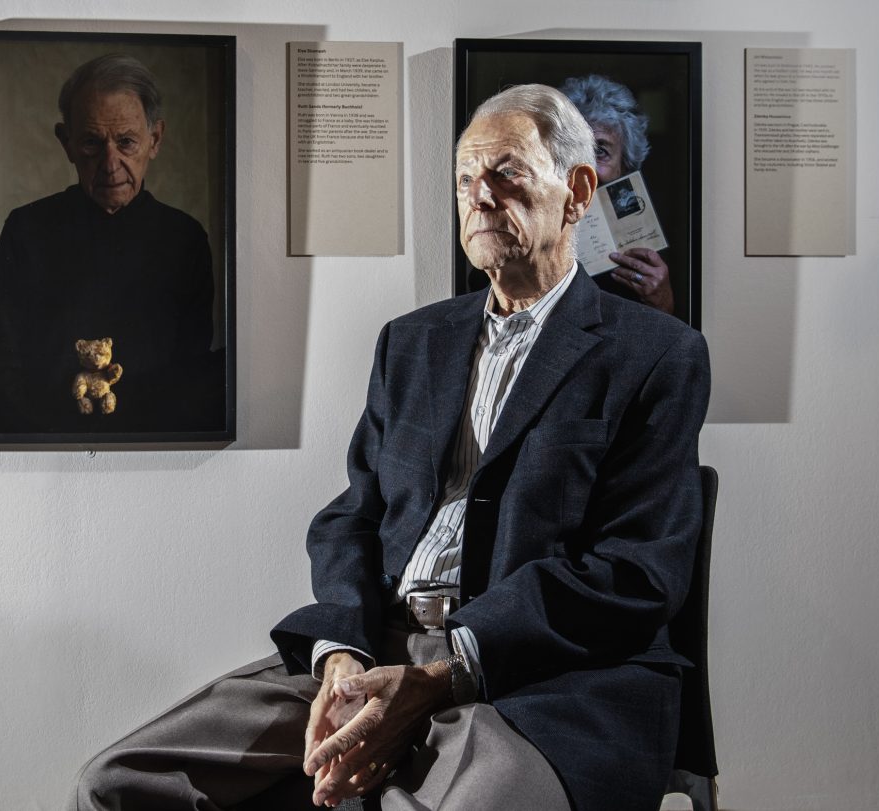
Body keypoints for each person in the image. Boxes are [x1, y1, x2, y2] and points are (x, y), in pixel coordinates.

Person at [71, 84, 710, 811]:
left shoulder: (656, 354)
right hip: (376, 648)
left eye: (506, 172)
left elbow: (637, 571)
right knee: (116, 783)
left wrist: (448, 669)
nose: (479, 195)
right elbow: (352, 517)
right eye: (466, 178)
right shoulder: (413, 342)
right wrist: (342, 650)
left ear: (579, 192)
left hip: (545, 684)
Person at [0, 54, 219, 433]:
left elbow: (191, 381)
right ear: (67, 143)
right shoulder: (26, 229)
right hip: (47, 442)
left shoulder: (186, 239)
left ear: (155, 140)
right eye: (92, 142)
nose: (110, 163)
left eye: (126, 142)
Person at [559, 74, 675, 316]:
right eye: (574, 150)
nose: (586, 169)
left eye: (600, 151)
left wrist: (662, 303)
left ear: (625, 166)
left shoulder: (650, 249)